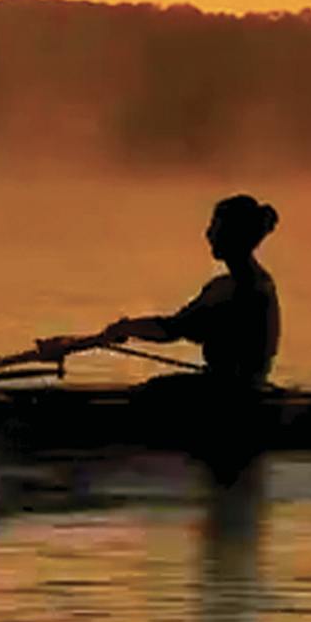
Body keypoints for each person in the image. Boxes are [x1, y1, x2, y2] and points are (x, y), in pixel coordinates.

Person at [88, 193, 285, 471]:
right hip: (241, 390)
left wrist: (124, 328)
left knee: (148, 395)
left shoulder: (239, 290)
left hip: (230, 398)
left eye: (215, 226)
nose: (208, 233)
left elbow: (171, 330)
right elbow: (178, 325)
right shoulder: (243, 283)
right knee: (152, 392)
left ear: (233, 234)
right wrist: (126, 328)